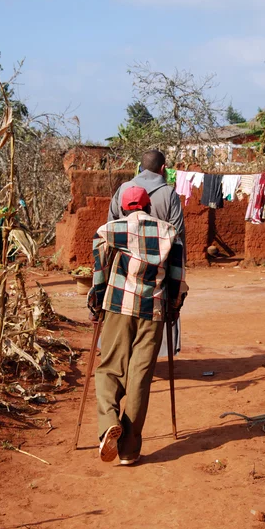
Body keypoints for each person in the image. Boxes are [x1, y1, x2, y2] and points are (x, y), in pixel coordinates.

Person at [87, 186, 188, 465]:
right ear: (148, 207)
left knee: (109, 367)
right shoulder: (169, 233)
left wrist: (96, 299)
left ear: (123, 207)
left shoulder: (110, 230)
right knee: (139, 376)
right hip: (152, 310)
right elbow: (177, 277)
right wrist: (175, 306)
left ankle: (108, 421)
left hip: (118, 305)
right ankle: (129, 451)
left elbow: (100, 268)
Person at [108, 149, 185, 247]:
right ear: (162, 168)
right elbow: (177, 231)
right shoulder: (169, 194)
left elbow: (111, 223)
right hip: (158, 257)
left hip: (125, 256)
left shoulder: (123, 188)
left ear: (140, 167)